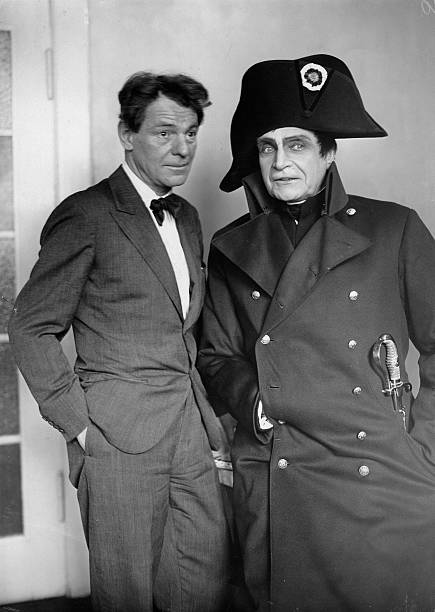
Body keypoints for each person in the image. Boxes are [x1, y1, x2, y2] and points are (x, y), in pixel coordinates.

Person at [197, 55, 435, 611]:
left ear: (329, 153)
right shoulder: (231, 247)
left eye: (297, 144)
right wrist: (257, 404)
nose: (280, 162)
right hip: (279, 473)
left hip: (378, 475)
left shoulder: (393, 229)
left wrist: (425, 447)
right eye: (267, 147)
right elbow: (214, 356)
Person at [8, 71, 229, 612]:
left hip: (190, 432)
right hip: (116, 436)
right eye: (164, 133)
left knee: (203, 586)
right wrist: (80, 426)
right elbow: (30, 325)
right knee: (126, 594)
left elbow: (183, 329)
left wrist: (208, 421)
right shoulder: (87, 214)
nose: (183, 148)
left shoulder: (187, 217)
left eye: (192, 133)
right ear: (127, 135)